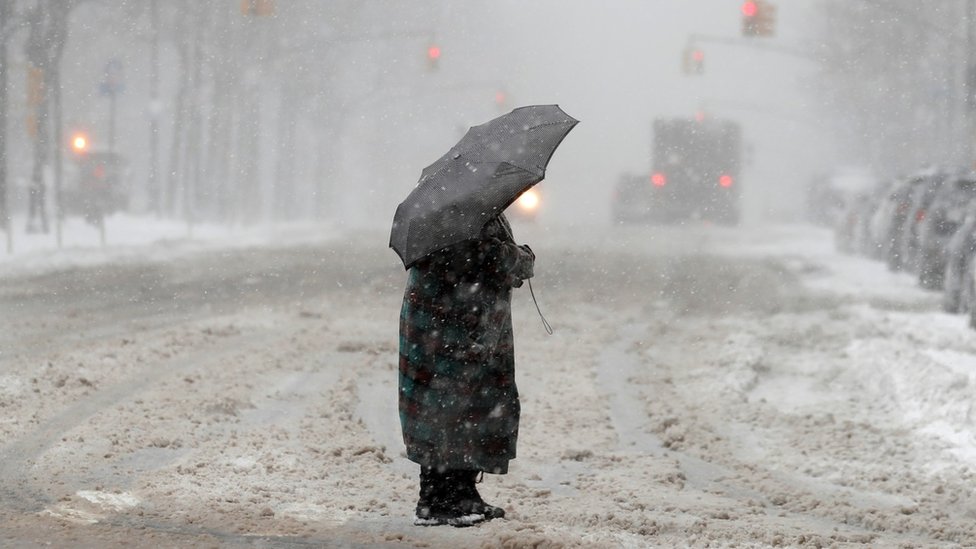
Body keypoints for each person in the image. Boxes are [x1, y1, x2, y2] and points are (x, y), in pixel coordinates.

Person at [398, 213, 536, 527]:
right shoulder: (462, 219)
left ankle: (457, 492)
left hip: (449, 327)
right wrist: (520, 258)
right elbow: (483, 257)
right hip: (452, 329)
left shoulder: (452, 213)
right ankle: (440, 499)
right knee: (451, 408)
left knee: (457, 408)